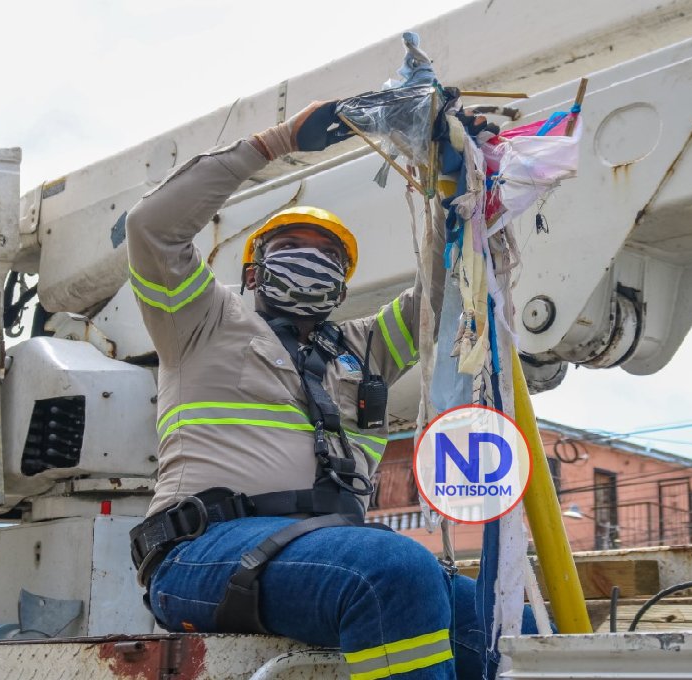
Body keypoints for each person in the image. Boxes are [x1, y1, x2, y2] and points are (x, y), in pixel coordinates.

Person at [125, 99, 535, 680]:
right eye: (291, 248)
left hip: (326, 554)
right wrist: (275, 142)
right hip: (201, 554)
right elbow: (152, 227)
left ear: (343, 286)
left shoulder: (364, 347)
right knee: (393, 570)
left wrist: (466, 176)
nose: (311, 260)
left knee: (507, 628)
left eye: (328, 257)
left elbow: (457, 281)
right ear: (252, 273)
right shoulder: (200, 320)